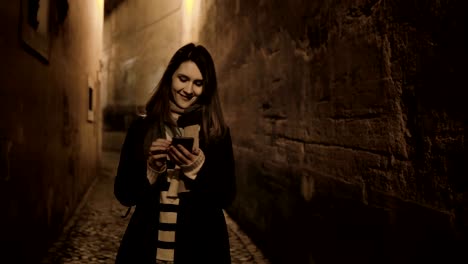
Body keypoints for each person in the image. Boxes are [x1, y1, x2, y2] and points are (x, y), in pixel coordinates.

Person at [114, 43, 236, 264]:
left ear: (206, 88)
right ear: (170, 77)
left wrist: (197, 169)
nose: (188, 90)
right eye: (183, 79)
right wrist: (151, 171)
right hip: (147, 246)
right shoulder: (141, 128)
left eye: (198, 83)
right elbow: (124, 193)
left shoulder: (216, 133)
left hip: (200, 250)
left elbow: (226, 196)